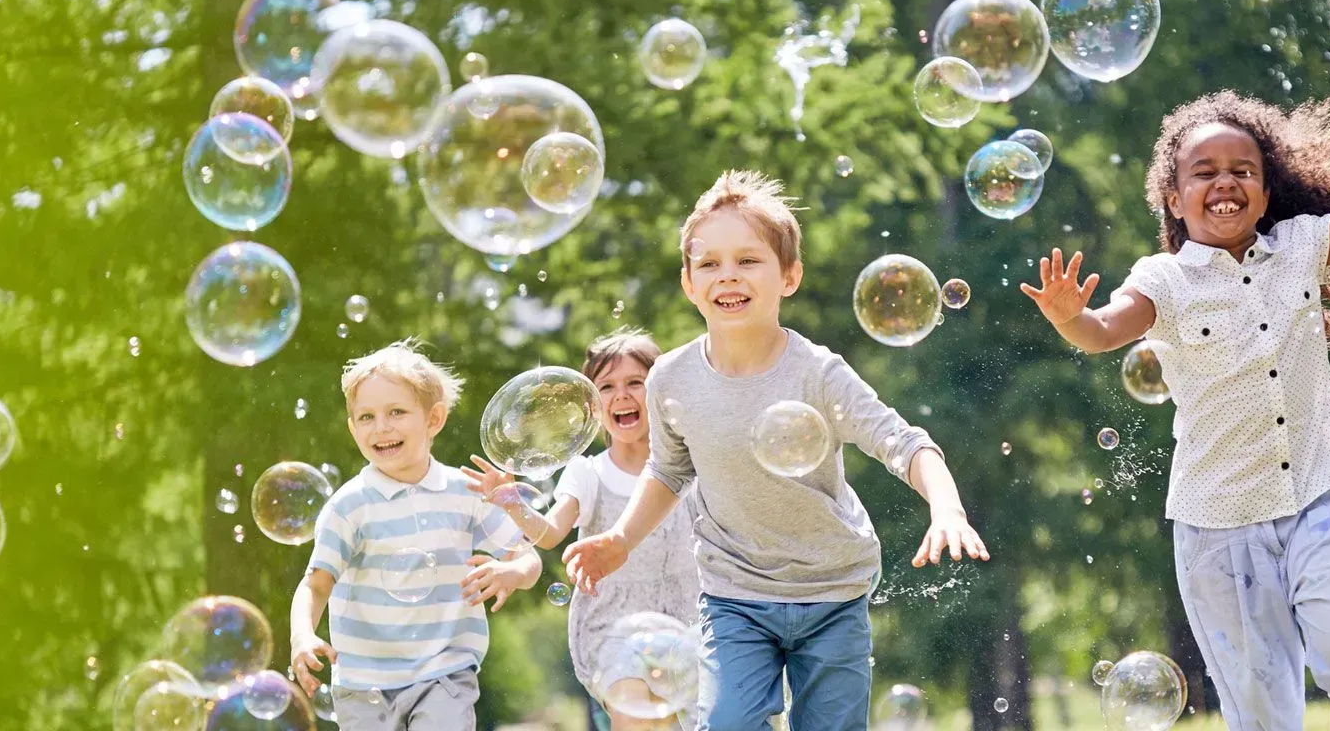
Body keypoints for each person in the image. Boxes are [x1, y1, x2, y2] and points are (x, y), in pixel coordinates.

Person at [1021, 0, 1330, 730]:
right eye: (1203, 171)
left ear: (1267, 191)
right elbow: (1106, 330)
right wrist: (1069, 317)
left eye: (1243, 168)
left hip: (1319, 493)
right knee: (1262, 713)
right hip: (1218, 527)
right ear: (1174, 198)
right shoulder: (1164, 279)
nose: (1225, 181)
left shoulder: (1302, 245)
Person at [560, 170, 990, 731]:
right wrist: (621, 538)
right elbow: (668, 470)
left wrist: (947, 508)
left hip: (832, 588)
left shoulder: (818, 373)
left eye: (748, 260)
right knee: (727, 723)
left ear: (789, 276)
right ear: (688, 283)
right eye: (709, 263)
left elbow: (904, 443)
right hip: (734, 593)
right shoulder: (670, 378)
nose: (728, 276)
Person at [289, 339, 543, 731]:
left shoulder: (467, 492)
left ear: (434, 419)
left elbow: (527, 555)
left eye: (396, 412)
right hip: (363, 682)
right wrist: (302, 637)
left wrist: (514, 572)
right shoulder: (349, 506)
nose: (382, 426)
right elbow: (316, 584)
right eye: (367, 416)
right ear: (353, 427)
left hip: (445, 670)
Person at [462, 328, 701, 730]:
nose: (621, 395)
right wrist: (512, 503)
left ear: (660, 391)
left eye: (635, 383)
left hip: (690, 621)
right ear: (592, 406)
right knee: (635, 717)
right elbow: (551, 532)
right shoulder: (588, 473)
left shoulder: (690, 465)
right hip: (613, 627)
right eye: (606, 387)